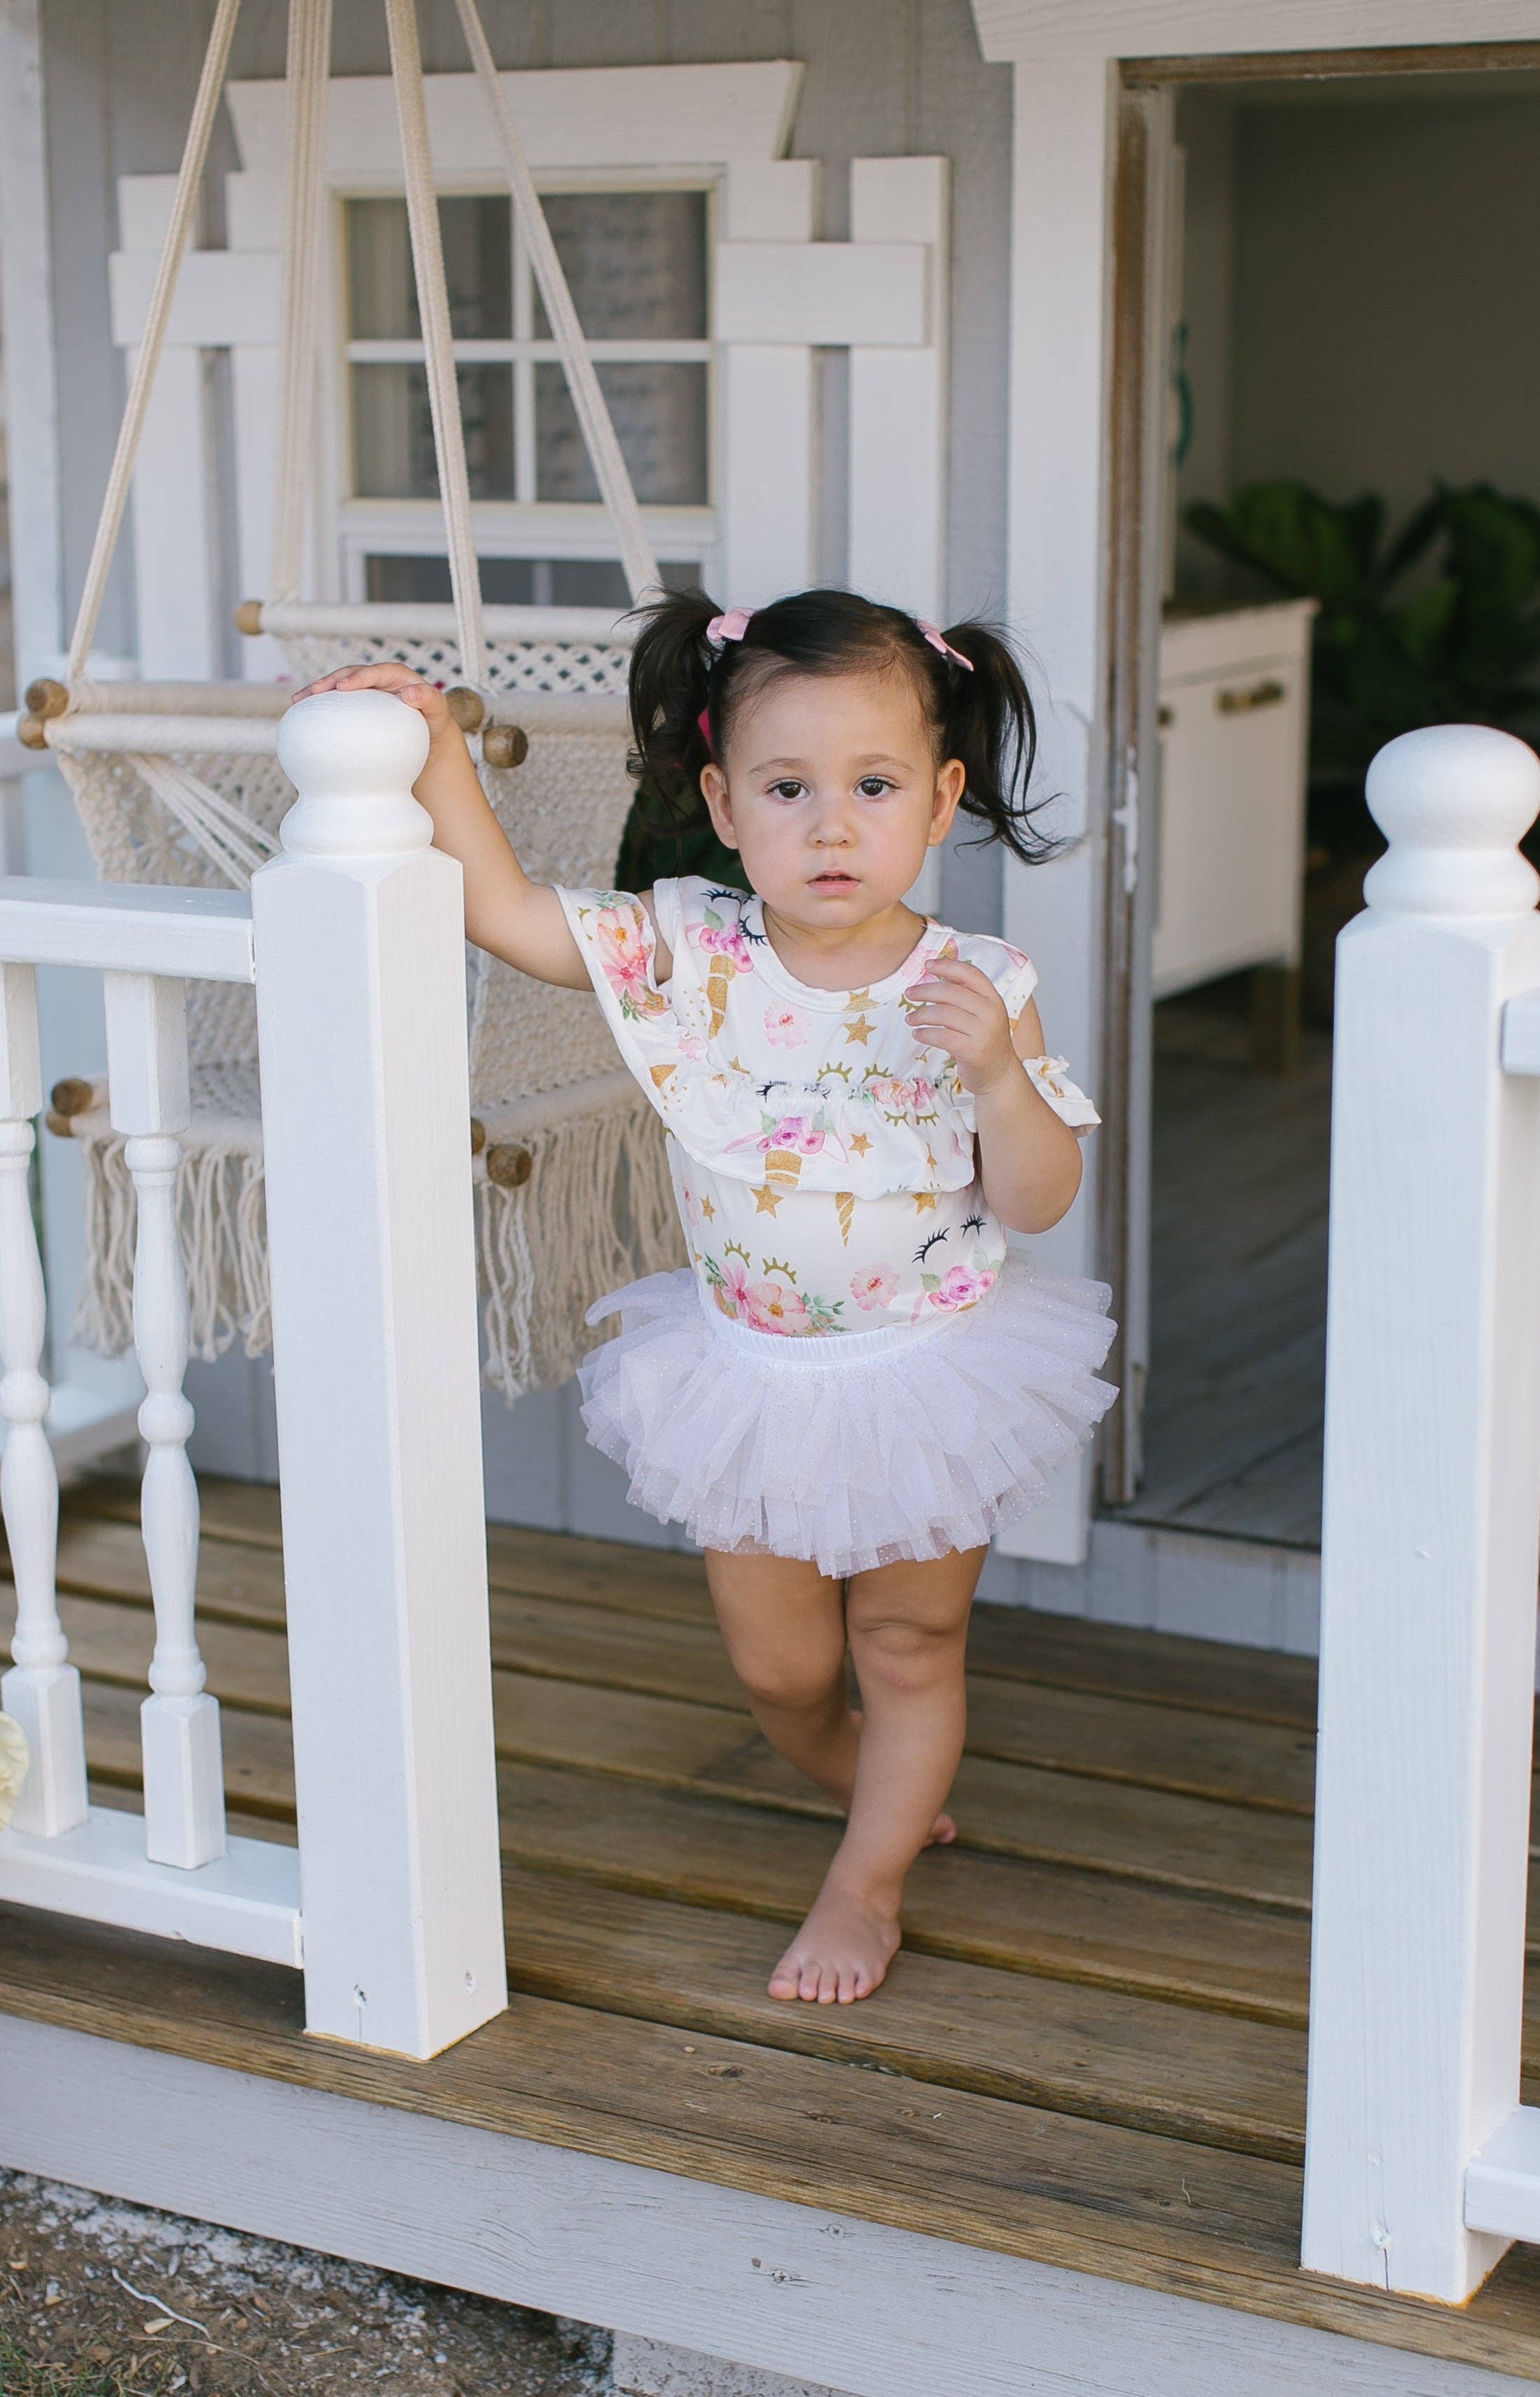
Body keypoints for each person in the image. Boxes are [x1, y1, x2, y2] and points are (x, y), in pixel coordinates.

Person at [294, 589, 1115, 2007]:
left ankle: (864, 1883)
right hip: (750, 1376)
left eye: (873, 786)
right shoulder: (693, 955)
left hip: (930, 1367)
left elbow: (1038, 1197)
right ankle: (874, 1788)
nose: (833, 825)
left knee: (908, 1641)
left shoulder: (979, 982)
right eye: (789, 789)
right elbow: (503, 913)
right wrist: (429, 747)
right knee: (786, 1674)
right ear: (726, 807)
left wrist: (994, 1071)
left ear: (941, 798)